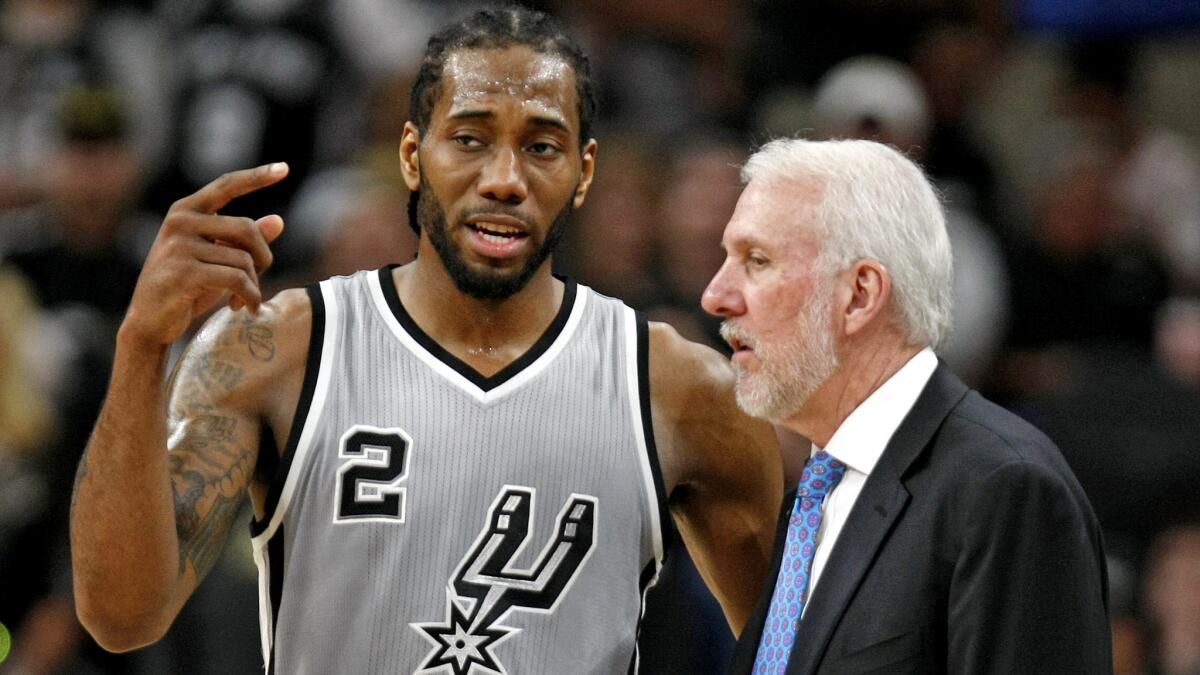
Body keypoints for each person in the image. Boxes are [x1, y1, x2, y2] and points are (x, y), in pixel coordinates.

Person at [69, 7, 782, 674]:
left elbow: (798, 651)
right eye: (470, 138)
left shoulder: (681, 388)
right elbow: (121, 615)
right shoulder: (278, 349)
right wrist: (141, 346)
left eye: (541, 146)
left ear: (583, 172)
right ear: (412, 154)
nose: (504, 179)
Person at [701, 138, 1112, 673]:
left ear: (861, 294)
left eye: (757, 261)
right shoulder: (816, 490)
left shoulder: (1006, 488)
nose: (716, 294)